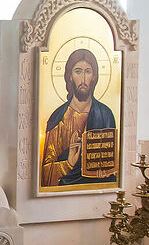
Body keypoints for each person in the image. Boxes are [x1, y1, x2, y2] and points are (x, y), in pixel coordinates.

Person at [41, 48, 117, 187]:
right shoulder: (58, 119)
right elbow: (46, 173)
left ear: (94, 76)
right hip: (63, 192)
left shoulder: (105, 114)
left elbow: (111, 165)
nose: (83, 79)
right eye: (78, 71)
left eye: (88, 71)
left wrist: (105, 170)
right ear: (70, 76)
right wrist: (69, 163)